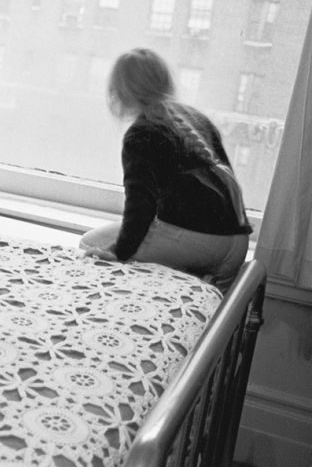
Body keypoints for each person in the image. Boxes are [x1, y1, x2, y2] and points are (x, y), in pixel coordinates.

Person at [80, 48, 252, 291]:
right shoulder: (196, 118)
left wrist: (119, 252)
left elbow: (141, 206)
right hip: (238, 242)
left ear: (121, 91)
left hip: (201, 242)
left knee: (91, 244)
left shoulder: (142, 133)